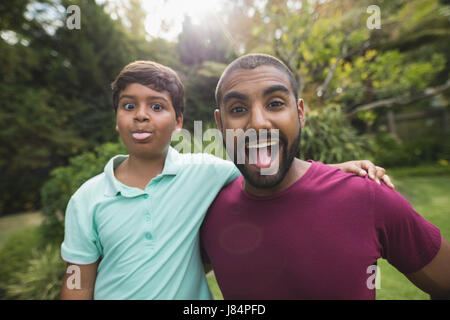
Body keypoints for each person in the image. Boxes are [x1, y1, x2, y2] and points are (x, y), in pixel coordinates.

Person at [59, 60, 390, 300]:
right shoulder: (88, 198)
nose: (141, 115)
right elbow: (79, 285)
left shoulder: (206, 171)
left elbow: (273, 171)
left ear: (178, 123)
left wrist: (334, 169)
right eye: (128, 105)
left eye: (156, 106)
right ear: (117, 120)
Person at [201, 53, 450, 299]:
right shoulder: (206, 212)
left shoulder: (368, 196)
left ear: (300, 113)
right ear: (220, 124)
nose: (257, 123)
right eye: (238, 109)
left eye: (275, 103)